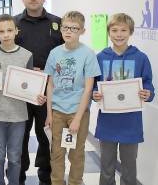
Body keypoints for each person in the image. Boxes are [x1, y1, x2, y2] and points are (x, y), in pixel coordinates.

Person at [0, 14, 47, 185]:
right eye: (1, 31)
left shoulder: (26, 55)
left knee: (14, 157)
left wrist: (37, 96)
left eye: (10, 30)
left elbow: (29, 87)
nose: (6, 34)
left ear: (16, 31)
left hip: (18, 115)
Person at [92, 13, 155, 185]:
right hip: (107, 122)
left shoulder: (141, 58)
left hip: (131, 122)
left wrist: (148, 93)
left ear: (131, 32)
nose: (119, 34)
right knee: (106, 165)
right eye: (114, 30)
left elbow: (148, 84)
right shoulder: (100, 57)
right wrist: (94, 94)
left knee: (129, 167)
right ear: (108, 32)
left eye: (123, 30)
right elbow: (94, 85)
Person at [14, 0, 64, 185]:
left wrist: (52, 70)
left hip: (48, 92)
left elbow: (66, 55)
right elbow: (4, 54)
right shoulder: (14, 23)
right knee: (20, 137)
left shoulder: (58, 23)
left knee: (46, 137)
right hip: (21, 91)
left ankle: (46, 177)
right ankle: (19, 177)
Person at [44, 11, 101, 185]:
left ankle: (76, 182)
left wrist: (77, 118)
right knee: (57, 153)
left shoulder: (88, 54)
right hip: (57, 111)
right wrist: (49, 114)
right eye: (66, 27)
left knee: (76, 154)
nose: (69, 32)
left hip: (79, 112)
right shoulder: (54, 53)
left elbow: (88, 89)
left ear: (82, 31)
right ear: (61, 29)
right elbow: (50, 85)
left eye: (74, 28)